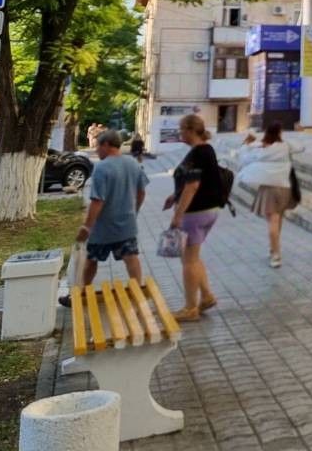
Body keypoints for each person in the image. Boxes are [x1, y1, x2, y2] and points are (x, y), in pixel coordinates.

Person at [61, 128, 149, 307]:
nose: (96, 150)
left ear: (107, 145)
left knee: (91, 261)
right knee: (131, 257)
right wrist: (134, 211)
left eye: (97, 146)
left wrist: (87, 227)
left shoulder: (101, 168)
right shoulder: (133, 163)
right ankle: (138, 291)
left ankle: (82, 294)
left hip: (103, 228)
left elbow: (97, 201)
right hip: (127, 225)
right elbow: (141, 191)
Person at [164, 113, 223, 321]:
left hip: (195, 213)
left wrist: (178, 215)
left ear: (191, 130)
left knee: (188, 261)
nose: (179, 133)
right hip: (208, 210)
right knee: (193, 258)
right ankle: (206, 296)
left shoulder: (198, 153)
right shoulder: (206, 150)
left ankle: (190, 308)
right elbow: (198, 181)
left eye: (181, 129)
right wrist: (175, 196)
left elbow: (193, 185)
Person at [236, 122, 303, 268]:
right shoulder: (285, 146)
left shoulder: (261, 149)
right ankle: (274, 248)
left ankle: (276, 254)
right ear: (280, 133)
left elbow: (243, 158)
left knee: (273, 221)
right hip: (285, 187)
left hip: (269, 188)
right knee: (278, 219)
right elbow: (300, 147)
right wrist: (283, 141)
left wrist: (247, 144)